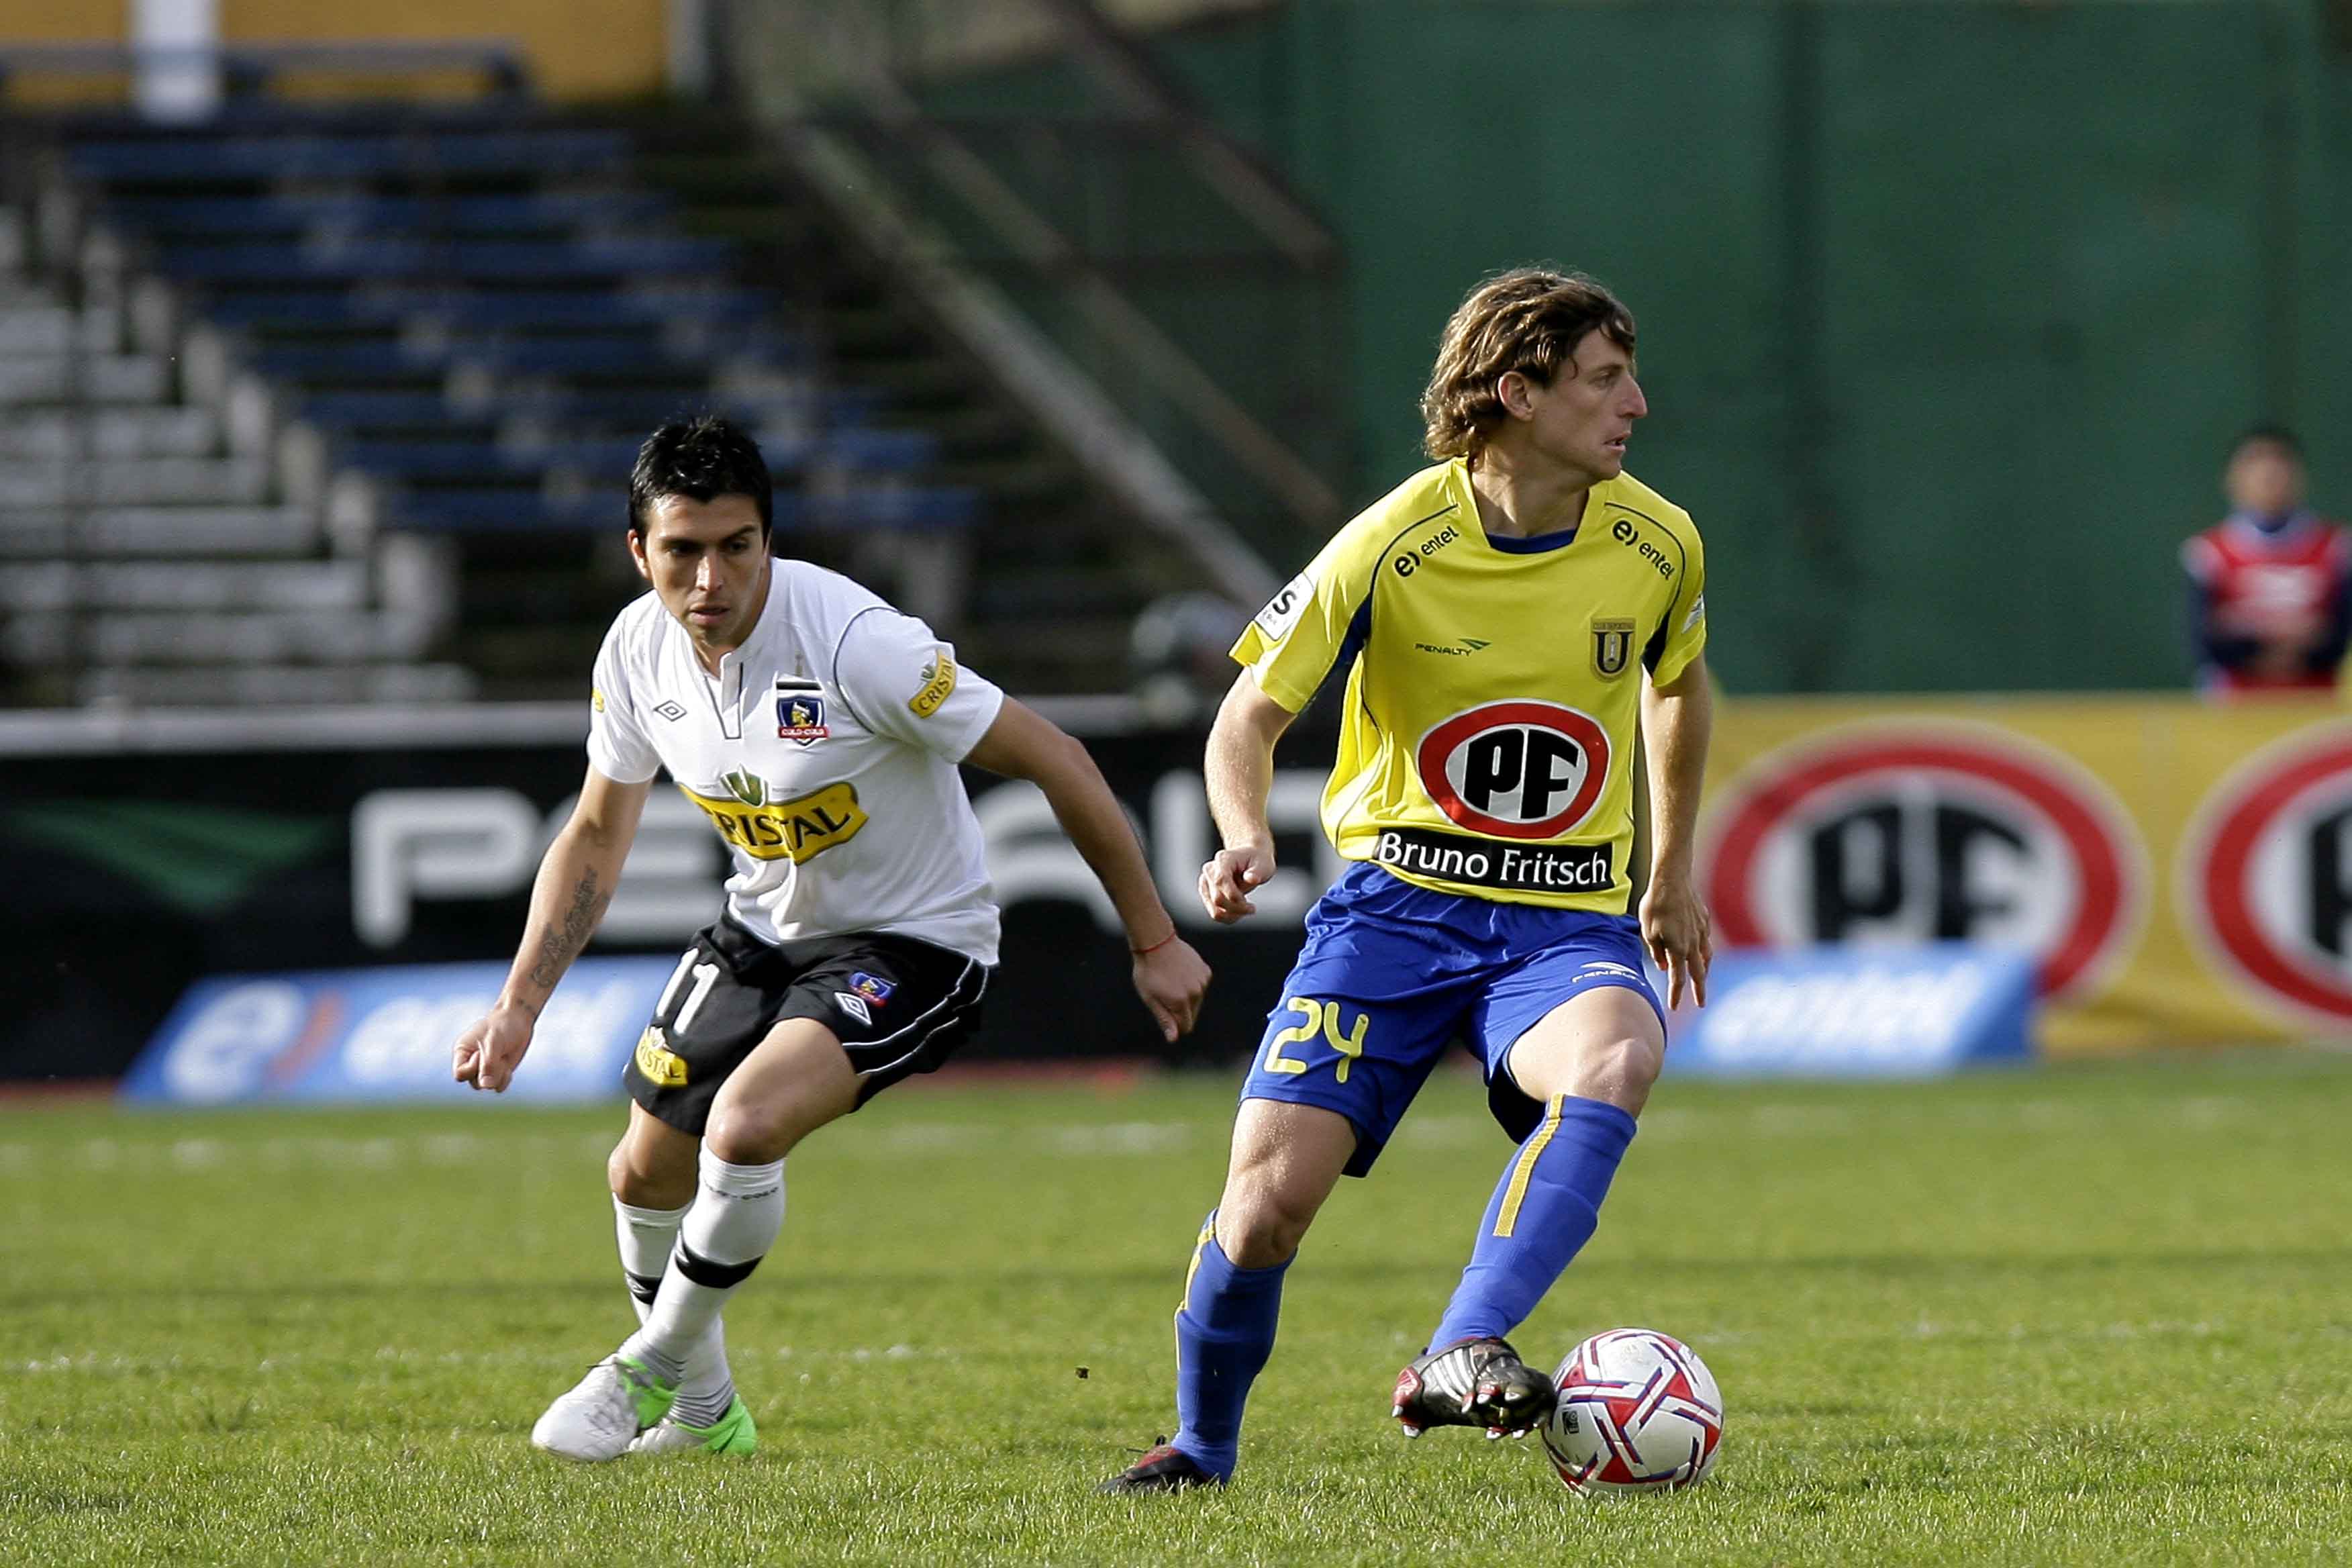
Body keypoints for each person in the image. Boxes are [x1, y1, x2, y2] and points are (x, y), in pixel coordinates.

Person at [452, 414, 1210, 1462]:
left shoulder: (861, 645)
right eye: (683, 550)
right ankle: (711, 1417)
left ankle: (646, 1369)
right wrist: (520, 1003)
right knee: (641, 1173)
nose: (712, 577)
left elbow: (1061, 758)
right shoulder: (635, 652)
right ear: (640, 553)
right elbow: (593, 831)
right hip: (762, 927)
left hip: (915, 941)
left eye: (738, 545)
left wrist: (1153, 939)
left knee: (747, 1124)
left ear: (769, 538)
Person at [1099, 267, 1713, 1492]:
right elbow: (1245, 718)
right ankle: (1200, 1448)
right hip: (1388, 915)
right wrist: (1240, 835)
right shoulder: (1388, 543)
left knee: (1615, 1056)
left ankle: (1460, 1345)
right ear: (1514, 392)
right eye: (1602, 379)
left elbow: (1675, 684)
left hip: (1558, 921)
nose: (1635, 403)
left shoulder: (1658, 543)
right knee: (1263, 1211)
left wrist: (1670, 868)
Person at [2182, 425, 2350, 696]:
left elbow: (2338, 642)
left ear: (2300, 475)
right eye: (2255, 462)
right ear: (2232, 478)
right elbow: (2207, 646)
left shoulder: (2337, 548)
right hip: (2233, 711)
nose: (2269, 474)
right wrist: (2289, 638)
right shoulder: (2209, 554)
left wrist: (2249, 633)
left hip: (2314, 711)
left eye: (2281, 462)